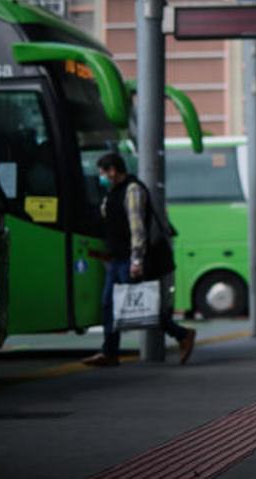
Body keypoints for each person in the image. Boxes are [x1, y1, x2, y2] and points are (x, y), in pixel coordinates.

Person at [81, 153, 196, 367]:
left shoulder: (133, 190)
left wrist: (136, 260)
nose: (101, 177)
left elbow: (137, 228)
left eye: (103, 172)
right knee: (108, 304)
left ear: (113, 170)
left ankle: (182, 334)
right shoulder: (113, 192)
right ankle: (109, 352)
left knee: (144, 306)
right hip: (116, 259)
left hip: (129, 260)